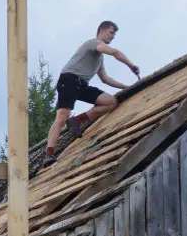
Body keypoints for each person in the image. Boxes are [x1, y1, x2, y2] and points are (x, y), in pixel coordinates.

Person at [45, 20, 140, 156]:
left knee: (111, 102)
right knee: (62, 116)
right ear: (102, 31)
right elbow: (114, 52)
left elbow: (105, 79)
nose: (112, 36)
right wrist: (131, 66)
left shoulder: (99, 58)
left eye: (114, 34)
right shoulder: (93, 43)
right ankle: (49, 154)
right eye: (111, 32)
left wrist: (127, 87)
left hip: (82, 85)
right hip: (69, 80)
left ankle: (76, 120)